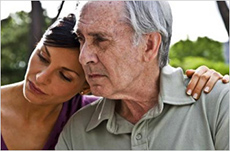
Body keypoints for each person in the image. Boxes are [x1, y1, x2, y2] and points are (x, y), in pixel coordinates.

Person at [56, 1, 229, 150]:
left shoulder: (220, 105)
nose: (83, 57)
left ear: (149, 45)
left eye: (100, 39)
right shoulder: (77, 131)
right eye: (81, 39)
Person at [1, 14, 100, 150]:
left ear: (86, 86)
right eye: (42, 57)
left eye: (64, 76)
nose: (40, 78)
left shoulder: (99, 116)